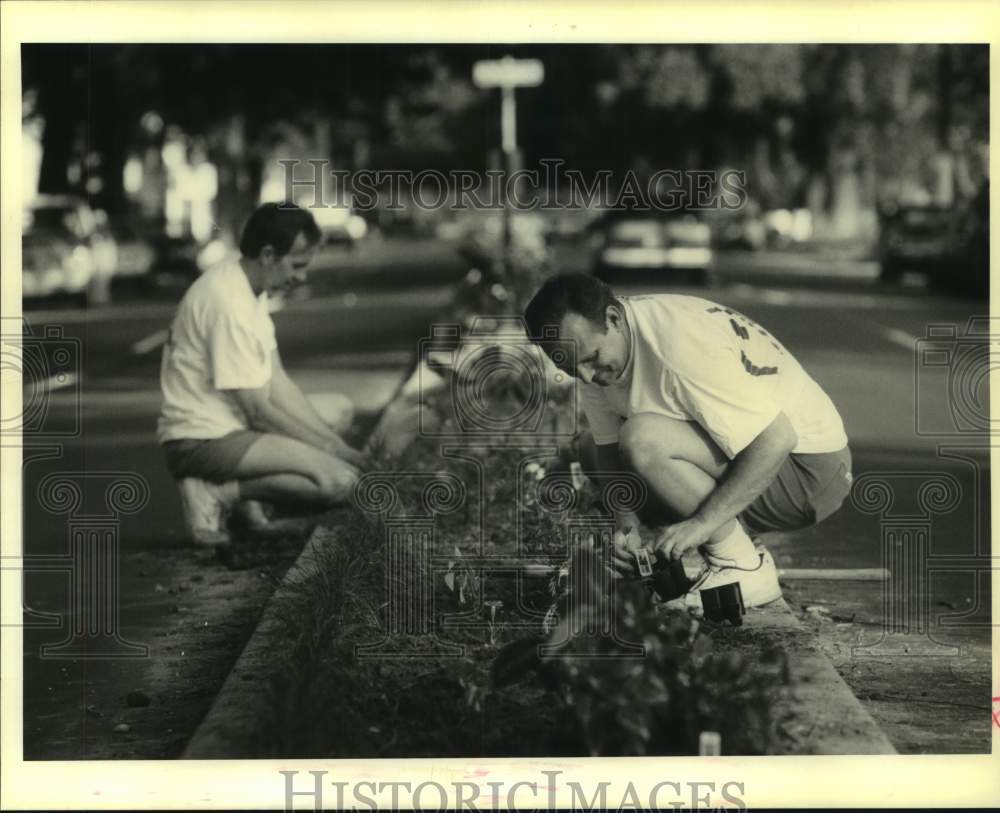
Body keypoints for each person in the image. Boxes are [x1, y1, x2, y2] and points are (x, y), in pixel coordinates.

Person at [524, 273, 852, 611]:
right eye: (570, 366)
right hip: (762, 455)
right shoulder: (596, 351)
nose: (588, 376)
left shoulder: (678, 344)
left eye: (591, 358)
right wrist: (626, 527)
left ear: (613, 318)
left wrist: (702, 524)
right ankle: (696, 557)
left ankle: (743, 566)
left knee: (643, 440)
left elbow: (776, 438)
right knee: (591, 448)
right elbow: (607, 452)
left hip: (809, 470)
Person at [157, 201, 366, 547]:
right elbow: (259, 413)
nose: (301, 276)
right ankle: (214, 492)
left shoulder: (249, 288)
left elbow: (278, 382)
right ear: (268, 255)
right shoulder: (227, 303)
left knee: (338, 410)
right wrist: (337, 454)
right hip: (199, 440)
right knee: (343, 482)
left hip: (231, 424)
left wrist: (336, 445)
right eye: (297, 265)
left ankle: (247, 511)